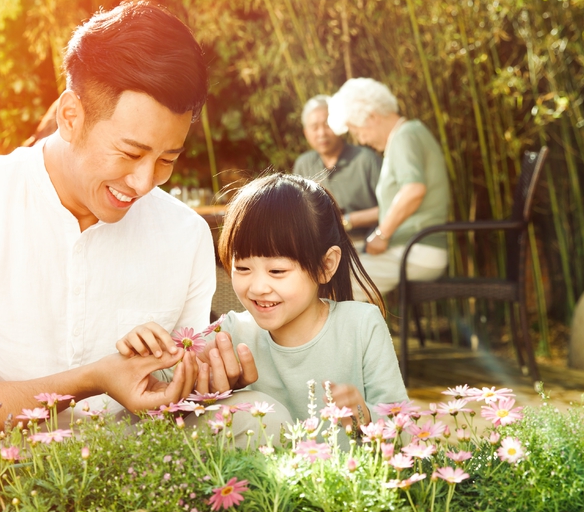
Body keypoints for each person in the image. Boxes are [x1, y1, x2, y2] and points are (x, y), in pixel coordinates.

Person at [0, 0, 259, 435]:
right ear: (70, 117)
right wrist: (93, 379)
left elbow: (175, 385)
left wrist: (205, 382)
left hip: (137, 467)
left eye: (166, 159)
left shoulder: (184, 234)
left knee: (259, 418)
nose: (143, 182)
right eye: (130, 152)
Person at [118, 174, 408, 428]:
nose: (257, 287)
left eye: (277, 271)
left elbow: (403, 429)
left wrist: (366, 417)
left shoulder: (361, 325)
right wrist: (144, 354)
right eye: (242, 268)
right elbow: (159, 383)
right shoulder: (230, 334)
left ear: (326, 265)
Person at [327, 78, 450, 296]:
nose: (361, 140)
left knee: (330, 282)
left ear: (373, 117)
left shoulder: (405, 135)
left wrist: (382, 234)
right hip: (412, 249)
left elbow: (413, 190)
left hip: (416, 250)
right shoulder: (406, 136)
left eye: (358, 131)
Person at [292, 95, 382, 239]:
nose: (321, 133)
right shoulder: (303, 164)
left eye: (327, 125)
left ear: (340, 126)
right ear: (306, 133)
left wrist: (346, 221)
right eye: (314, 127)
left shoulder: (366, 160)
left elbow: (391, 208)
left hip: (367, 242)